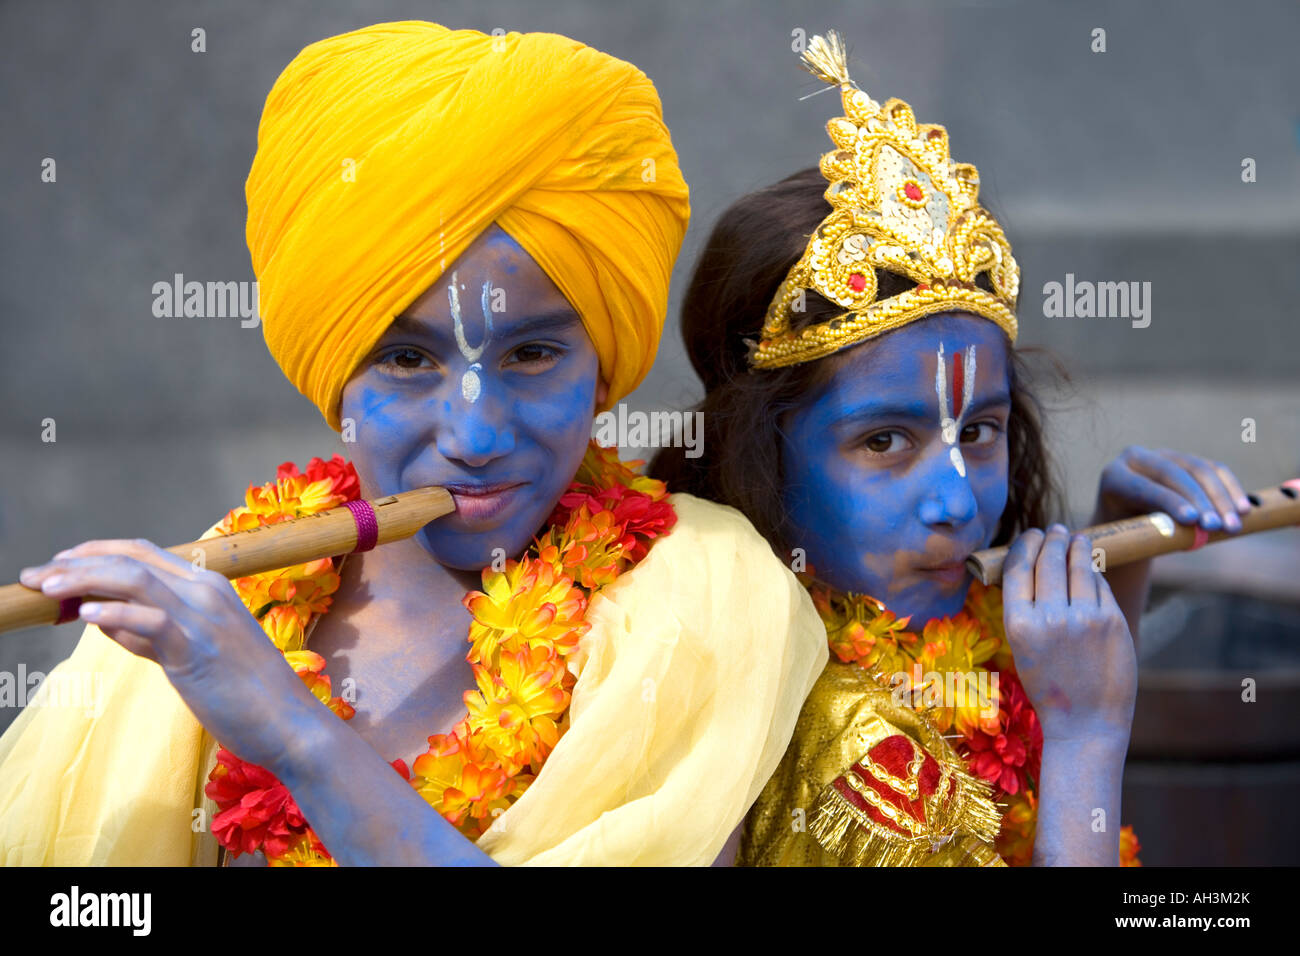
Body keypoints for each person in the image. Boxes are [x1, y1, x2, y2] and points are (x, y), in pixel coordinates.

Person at [0, 21, 827, 867]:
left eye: (533, 354)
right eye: (404, 359)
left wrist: (295, 736)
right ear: (332, 376)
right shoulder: (208, 597)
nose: (474, 436)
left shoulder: (709, 591)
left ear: (605, 369)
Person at [651, 32, 1253, 866]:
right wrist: (1087, 734)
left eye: (979, 431)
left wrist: (1123, 566)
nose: (959, 503)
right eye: (884, 441)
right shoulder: (861, 749)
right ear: (762, 460)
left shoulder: (931, 636)